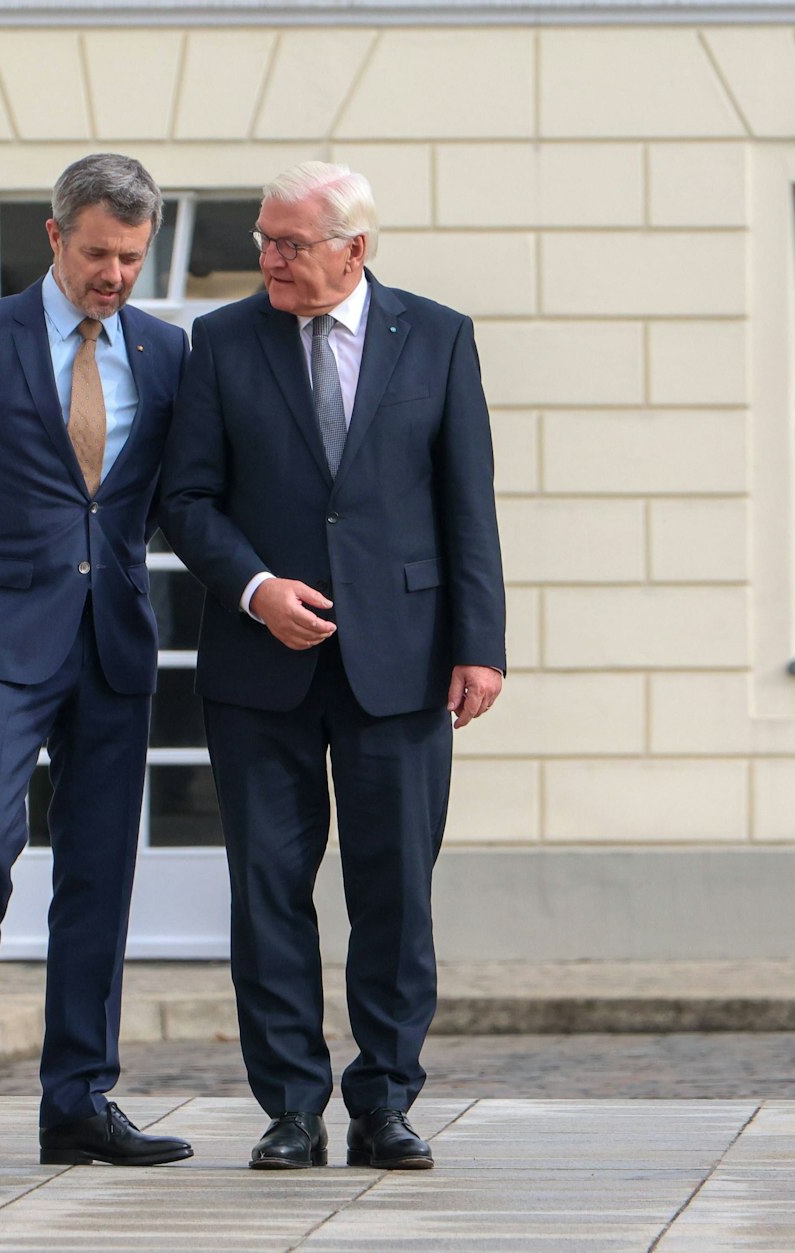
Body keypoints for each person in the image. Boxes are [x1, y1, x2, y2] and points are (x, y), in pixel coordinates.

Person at [161, 161, 506, 1172]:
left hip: (400, 662)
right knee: (265, 889)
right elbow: (186, 500)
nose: (266, 258)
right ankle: (287, 1107)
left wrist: (479, 645)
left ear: (354, 248)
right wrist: (253, 587)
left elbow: (465, 502)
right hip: (255, 662)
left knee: (393, 890)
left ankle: (384, 1101)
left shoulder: (435, 336)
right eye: (262, 239)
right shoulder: (219, 342)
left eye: (287, 243)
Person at [0, 154, 193, 1169]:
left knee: (100, 871)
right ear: (55, 234)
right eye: (99, 252)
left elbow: (159, 492)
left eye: (131, 257)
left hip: (111, 634)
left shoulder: (162, 351)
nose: (113, 273)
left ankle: (77, 1098)